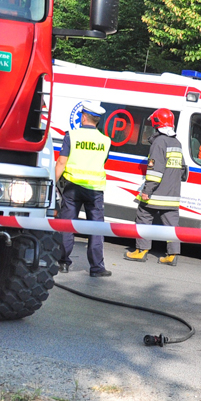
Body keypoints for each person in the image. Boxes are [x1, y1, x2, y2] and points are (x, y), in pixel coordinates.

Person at [55, 101, 112, 277]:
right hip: (95, 190)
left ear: (84, 116)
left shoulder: (71, 135)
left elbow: (61, 162)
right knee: (96, 228)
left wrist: (51, 184)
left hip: (72, 188)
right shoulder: (105, 140)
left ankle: (63, 262)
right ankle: (96, 268)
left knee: (67, 225)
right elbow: (102, 162)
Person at [124, 108, 186, 266]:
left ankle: (141, 251)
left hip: (157, 193)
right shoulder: (176, 143)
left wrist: (147, 191)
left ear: (157, 124)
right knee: (172, 225)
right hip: (173, 194)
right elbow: (183, 170)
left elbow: (155, 170)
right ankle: (172, 255)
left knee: (143, 215)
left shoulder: (159, 142)